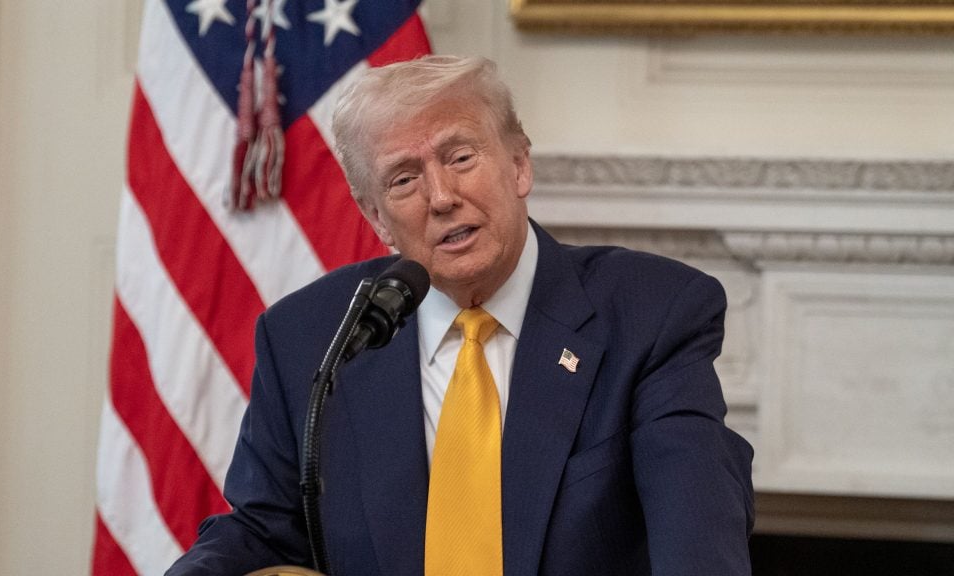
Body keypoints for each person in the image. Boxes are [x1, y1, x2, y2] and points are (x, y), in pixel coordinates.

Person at [167, 55, 754, 576]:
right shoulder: (310, 336)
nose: (441, 196)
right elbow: (260, 530)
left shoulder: (650, 313)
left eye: (461, 156)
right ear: (375, 216)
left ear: (519, 165)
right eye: (404, 179)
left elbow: (697, 535)